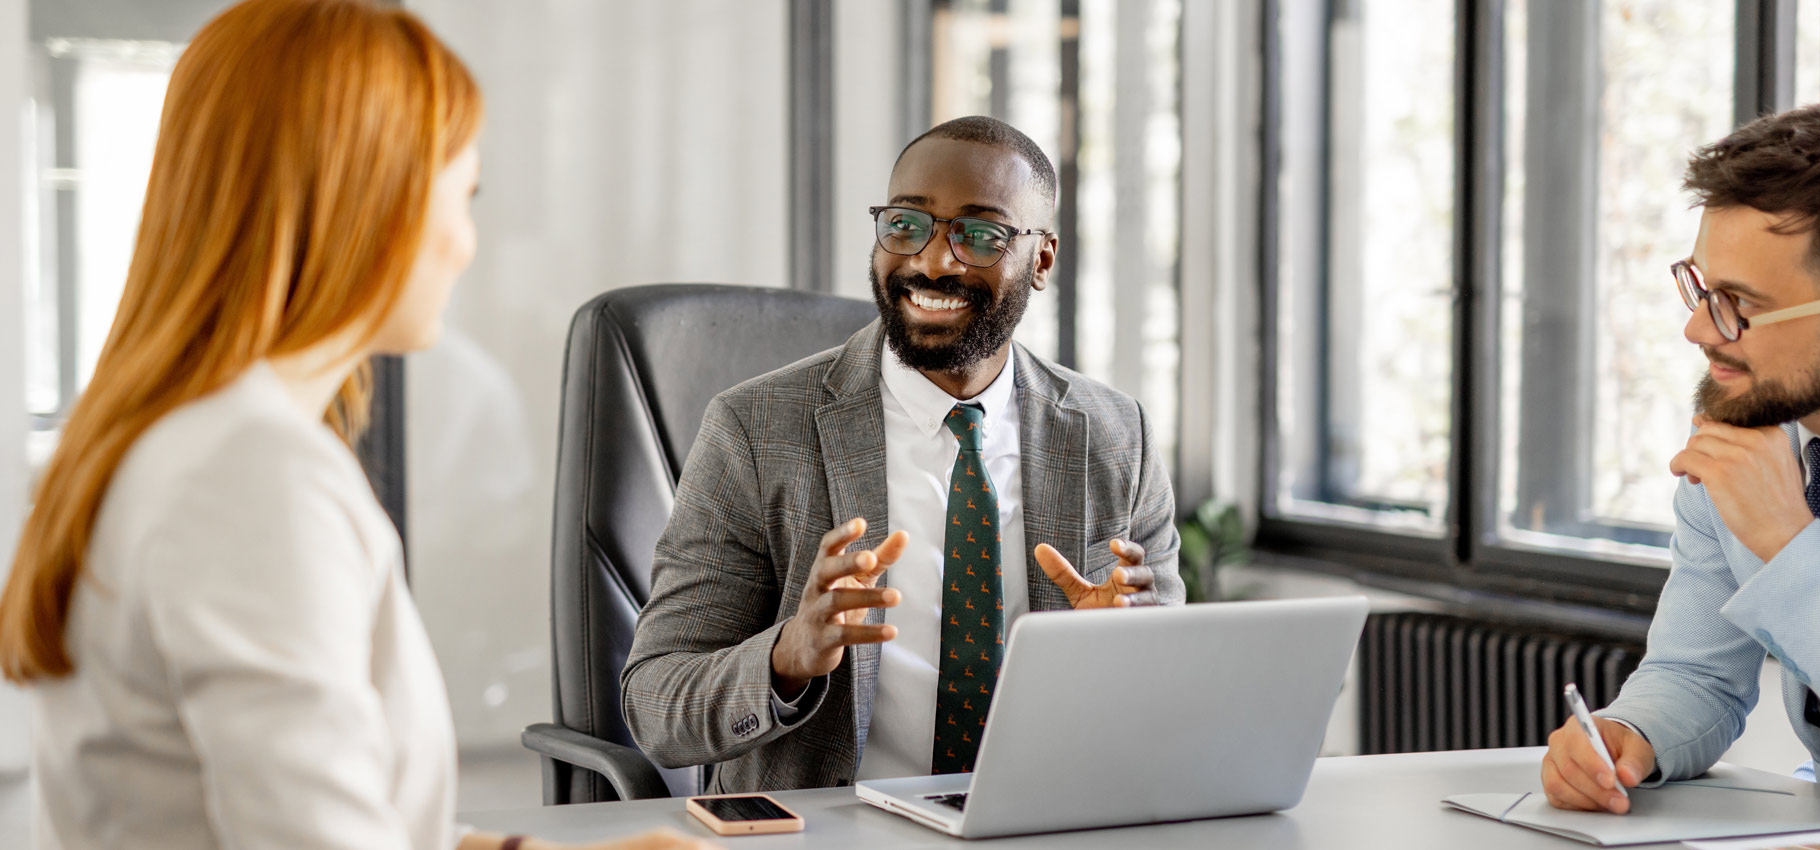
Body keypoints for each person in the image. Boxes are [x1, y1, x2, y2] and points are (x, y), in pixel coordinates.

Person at [0, 2, 707, 848]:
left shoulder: (183, 442)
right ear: (374, 198)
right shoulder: (250, 479)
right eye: (462, 193)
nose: (465, 243)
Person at [620, 116, 1184, 793]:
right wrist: (787, 657)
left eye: (978, 235)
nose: (932, 261)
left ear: (1040, 260)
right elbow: (655, 703)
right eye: (905, 224)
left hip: (1034, 824)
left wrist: (1124, 660)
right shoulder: (754, 429)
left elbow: (1167, 699)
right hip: (830, 833)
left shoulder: (1116, 435)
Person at [1543, 101, 1820, 813]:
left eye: (1737, 303)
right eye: (1702, 289)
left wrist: (1788, 540)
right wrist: (1627, 735)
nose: (1696, 329)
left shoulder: (1760, 472)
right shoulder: (1750, 435)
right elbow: (1695, 672)